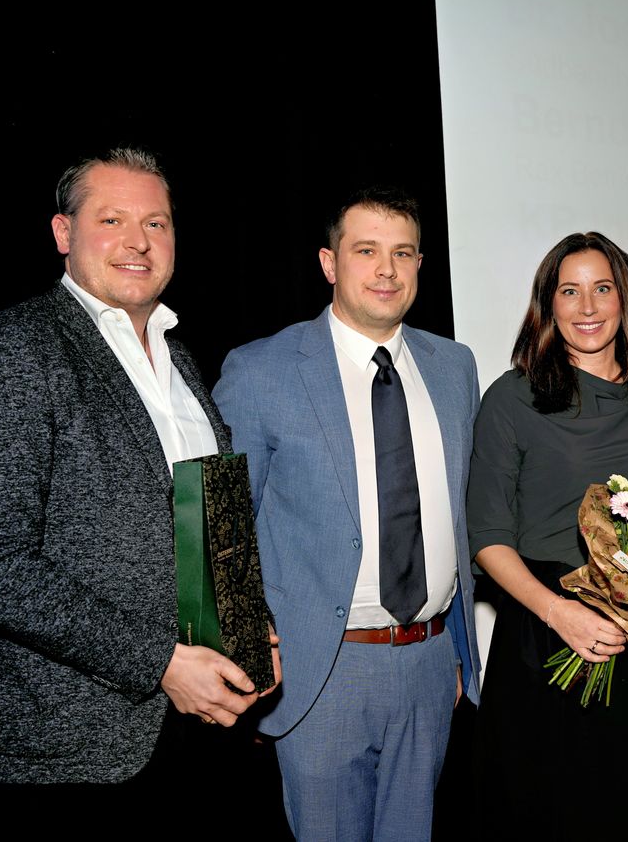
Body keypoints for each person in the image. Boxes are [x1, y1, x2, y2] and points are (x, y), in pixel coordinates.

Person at [0, 147, 273, 824]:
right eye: (112, 219)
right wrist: (160, 663)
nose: (137, 241)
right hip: (65, 755)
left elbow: (208, 512)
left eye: (156, 223)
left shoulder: (181, 357)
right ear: (64, 234)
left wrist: (248, 628)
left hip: (204, 734)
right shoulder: (11, 349)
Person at [213, 187, 481, 841]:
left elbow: (458, 514)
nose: (387, 270)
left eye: (403, 253)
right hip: (321, 671)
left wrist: (455, 657)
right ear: (330, 262)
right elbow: (222, 529)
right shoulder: (259, 370)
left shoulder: (455, 367)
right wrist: (250, 666)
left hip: (427, 661)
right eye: (367, 251)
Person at [468, 231, 628, 841]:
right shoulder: (511, 399)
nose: (587, 307)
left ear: (626, 302)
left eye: (603, 289)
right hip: (545, 635)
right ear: (549, 304)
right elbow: (487, 537)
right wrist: (559, 613)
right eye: (570, 291)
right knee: (549, 812)